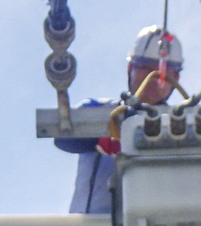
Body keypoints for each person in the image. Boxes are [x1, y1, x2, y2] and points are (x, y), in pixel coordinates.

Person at [55, 26, 184, 213]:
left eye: (163, 72)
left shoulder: (184, 125)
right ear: (130, 68)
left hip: (158, 225)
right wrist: (103, 139)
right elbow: (63, 137)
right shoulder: (99, 110)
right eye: (145, 68)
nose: (153, 77)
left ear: (176, 78)